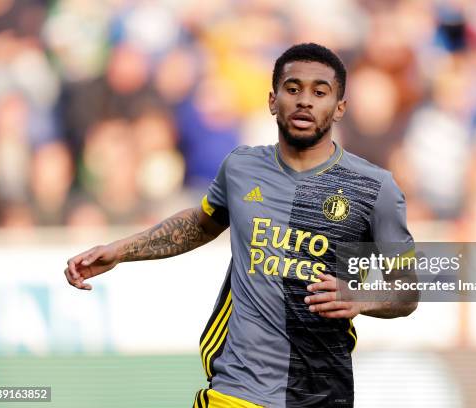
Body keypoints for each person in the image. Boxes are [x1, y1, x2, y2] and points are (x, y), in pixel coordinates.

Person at [64, 43, 418, 408]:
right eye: (292, 89)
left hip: (321, 393)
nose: (304, 101)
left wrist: (360, 297)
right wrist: (121, 251)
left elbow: (406, 291)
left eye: (320, 92)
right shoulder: (242, 167)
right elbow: (202, 224)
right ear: (272, 100)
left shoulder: (375, 188)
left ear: (340, 107)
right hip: (236, 390)